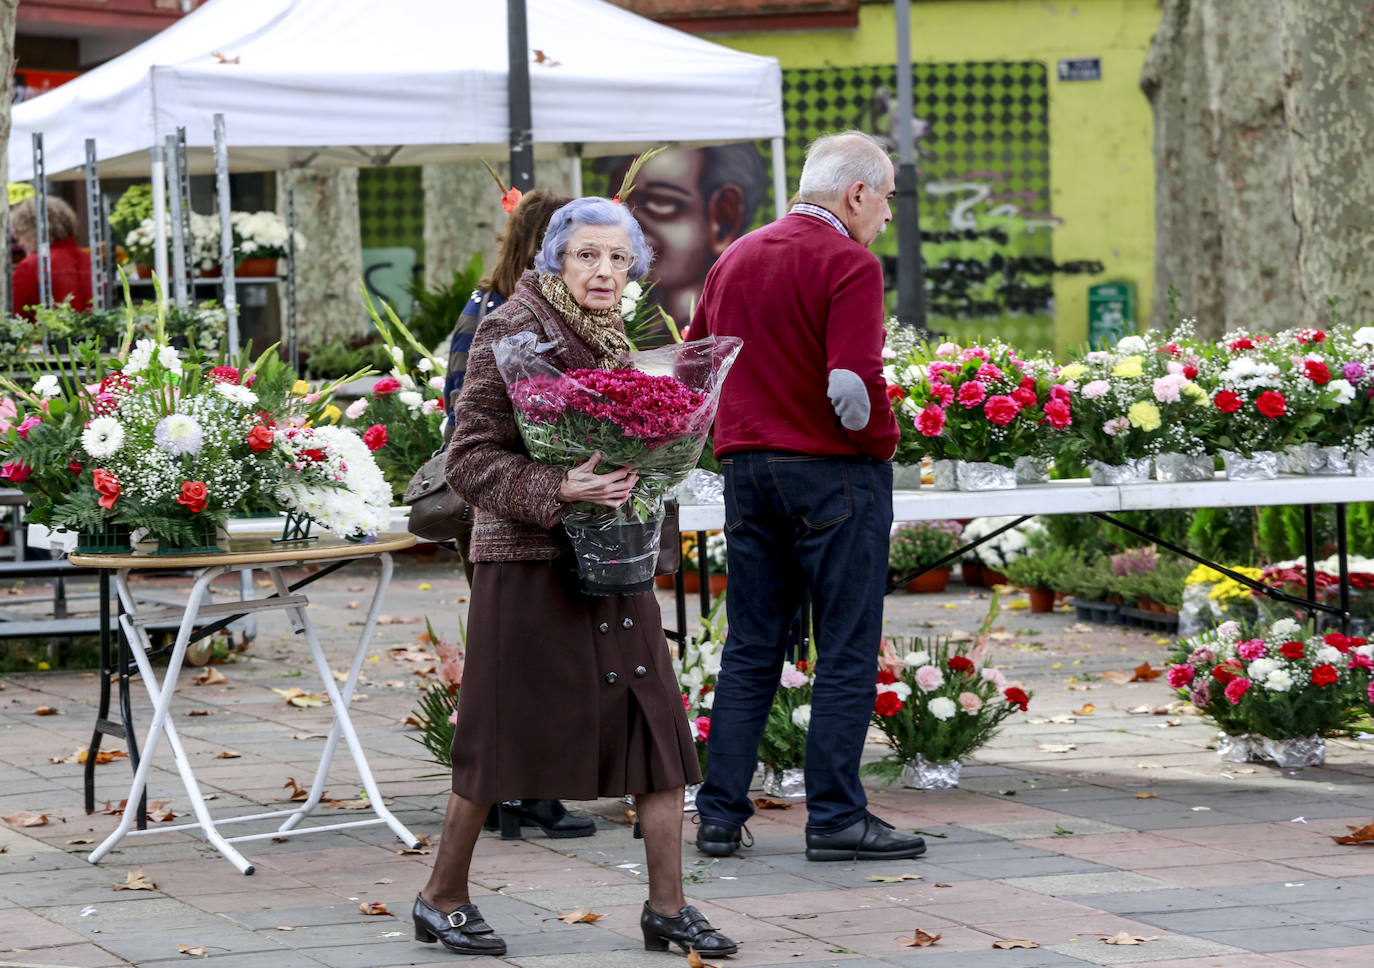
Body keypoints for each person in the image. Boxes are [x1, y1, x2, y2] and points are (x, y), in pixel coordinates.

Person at [415, 197, 737, 960]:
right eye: (588, 254)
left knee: (655, 727)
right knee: (498, 740)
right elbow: (469, 460)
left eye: (618, 258)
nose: (604, 270)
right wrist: (560, 489)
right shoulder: (512, 327)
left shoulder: (610, 333)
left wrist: (655, 466)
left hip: (614, 559)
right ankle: (442, 896)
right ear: (556, 258)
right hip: (530, 567)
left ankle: (667, 909)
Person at [683, 131, 926, 864]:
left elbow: (694, 365)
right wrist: (886, 444)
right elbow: (851, 388)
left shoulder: (735, 257)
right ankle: (836, 818)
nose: (886, 215)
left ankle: (719, 815)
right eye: (885, 198)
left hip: (749, 470)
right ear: (855, 193)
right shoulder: (849, 262)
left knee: (751, 647)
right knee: (846, 646)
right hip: (831, 473)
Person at [437, 189, 590, 843]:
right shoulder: (511, 315)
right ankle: (522, 792)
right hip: (513, 501)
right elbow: (471, 409)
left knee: (518, 659)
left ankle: (519, 792)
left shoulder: (493, 302)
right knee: (524, 659)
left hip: (510, 500)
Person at [602, 145, 768, 344]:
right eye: (621, 209)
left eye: (660, 202)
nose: (630, 226)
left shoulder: (738, 324)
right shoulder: (613, 322)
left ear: (724, 218)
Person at [10, 197, 92, 320]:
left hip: (45, 338)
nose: (20, 243)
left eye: (20, 235)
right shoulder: (89, 260)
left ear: (31, 230)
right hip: (92, 338)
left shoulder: (31, 265)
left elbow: (17, 318)